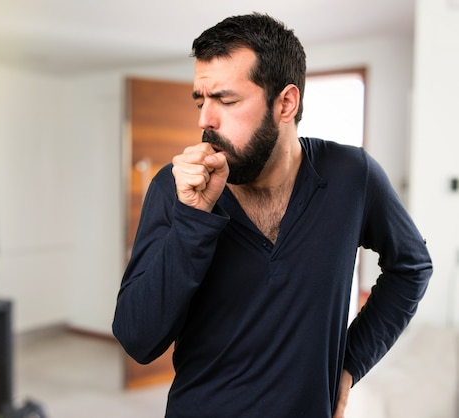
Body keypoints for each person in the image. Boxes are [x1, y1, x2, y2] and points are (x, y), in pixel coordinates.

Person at [112, 13, 432, 418]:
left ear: (286, 102)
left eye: (226, 100)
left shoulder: (353, 175)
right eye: (200, 100)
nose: (204, 120)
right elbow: (137, 339)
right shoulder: (173, 188)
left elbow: (412, 267)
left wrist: (350, 365)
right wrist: (194, 218)